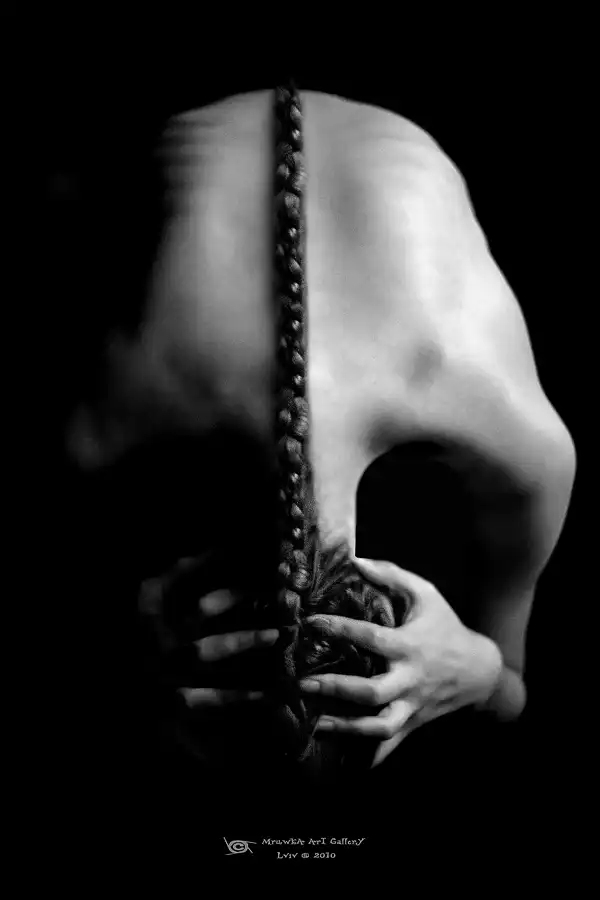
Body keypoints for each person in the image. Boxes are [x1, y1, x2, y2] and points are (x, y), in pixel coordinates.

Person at [61, 83, 575, 830]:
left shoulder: (519, 441)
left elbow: (511, 690)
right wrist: (488, 669)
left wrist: (484, 668)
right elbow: (514, 690)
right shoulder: (517, 444)